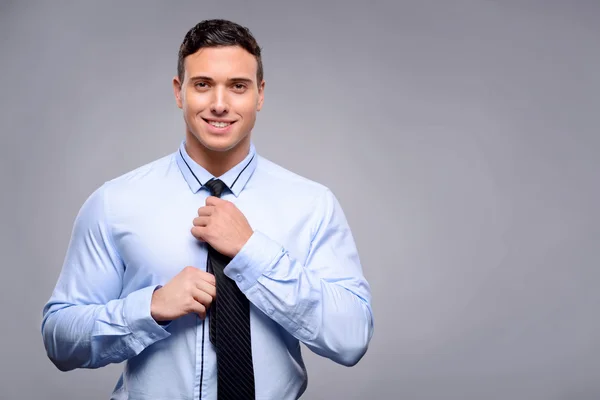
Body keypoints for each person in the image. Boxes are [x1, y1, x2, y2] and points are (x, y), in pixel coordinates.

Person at [41, 18, 374, 400]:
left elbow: (352, 338)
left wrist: (254, 253)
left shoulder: (313, 205)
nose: (219, 104)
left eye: (237, 86)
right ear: (179, 91)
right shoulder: (114, 203)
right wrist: (149, 308)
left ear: (260, 95)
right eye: (203, 85)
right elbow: (59, 340)